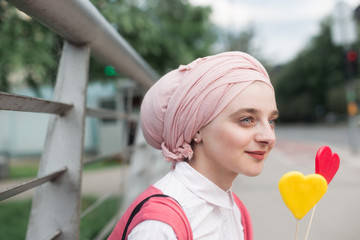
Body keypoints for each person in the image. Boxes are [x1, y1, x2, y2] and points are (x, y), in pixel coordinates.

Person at [108, 51, 279, 240]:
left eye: (271, 121)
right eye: (247, 119)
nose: (268, 137)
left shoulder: (235, 209)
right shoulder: (158, 228)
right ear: (196, 128)